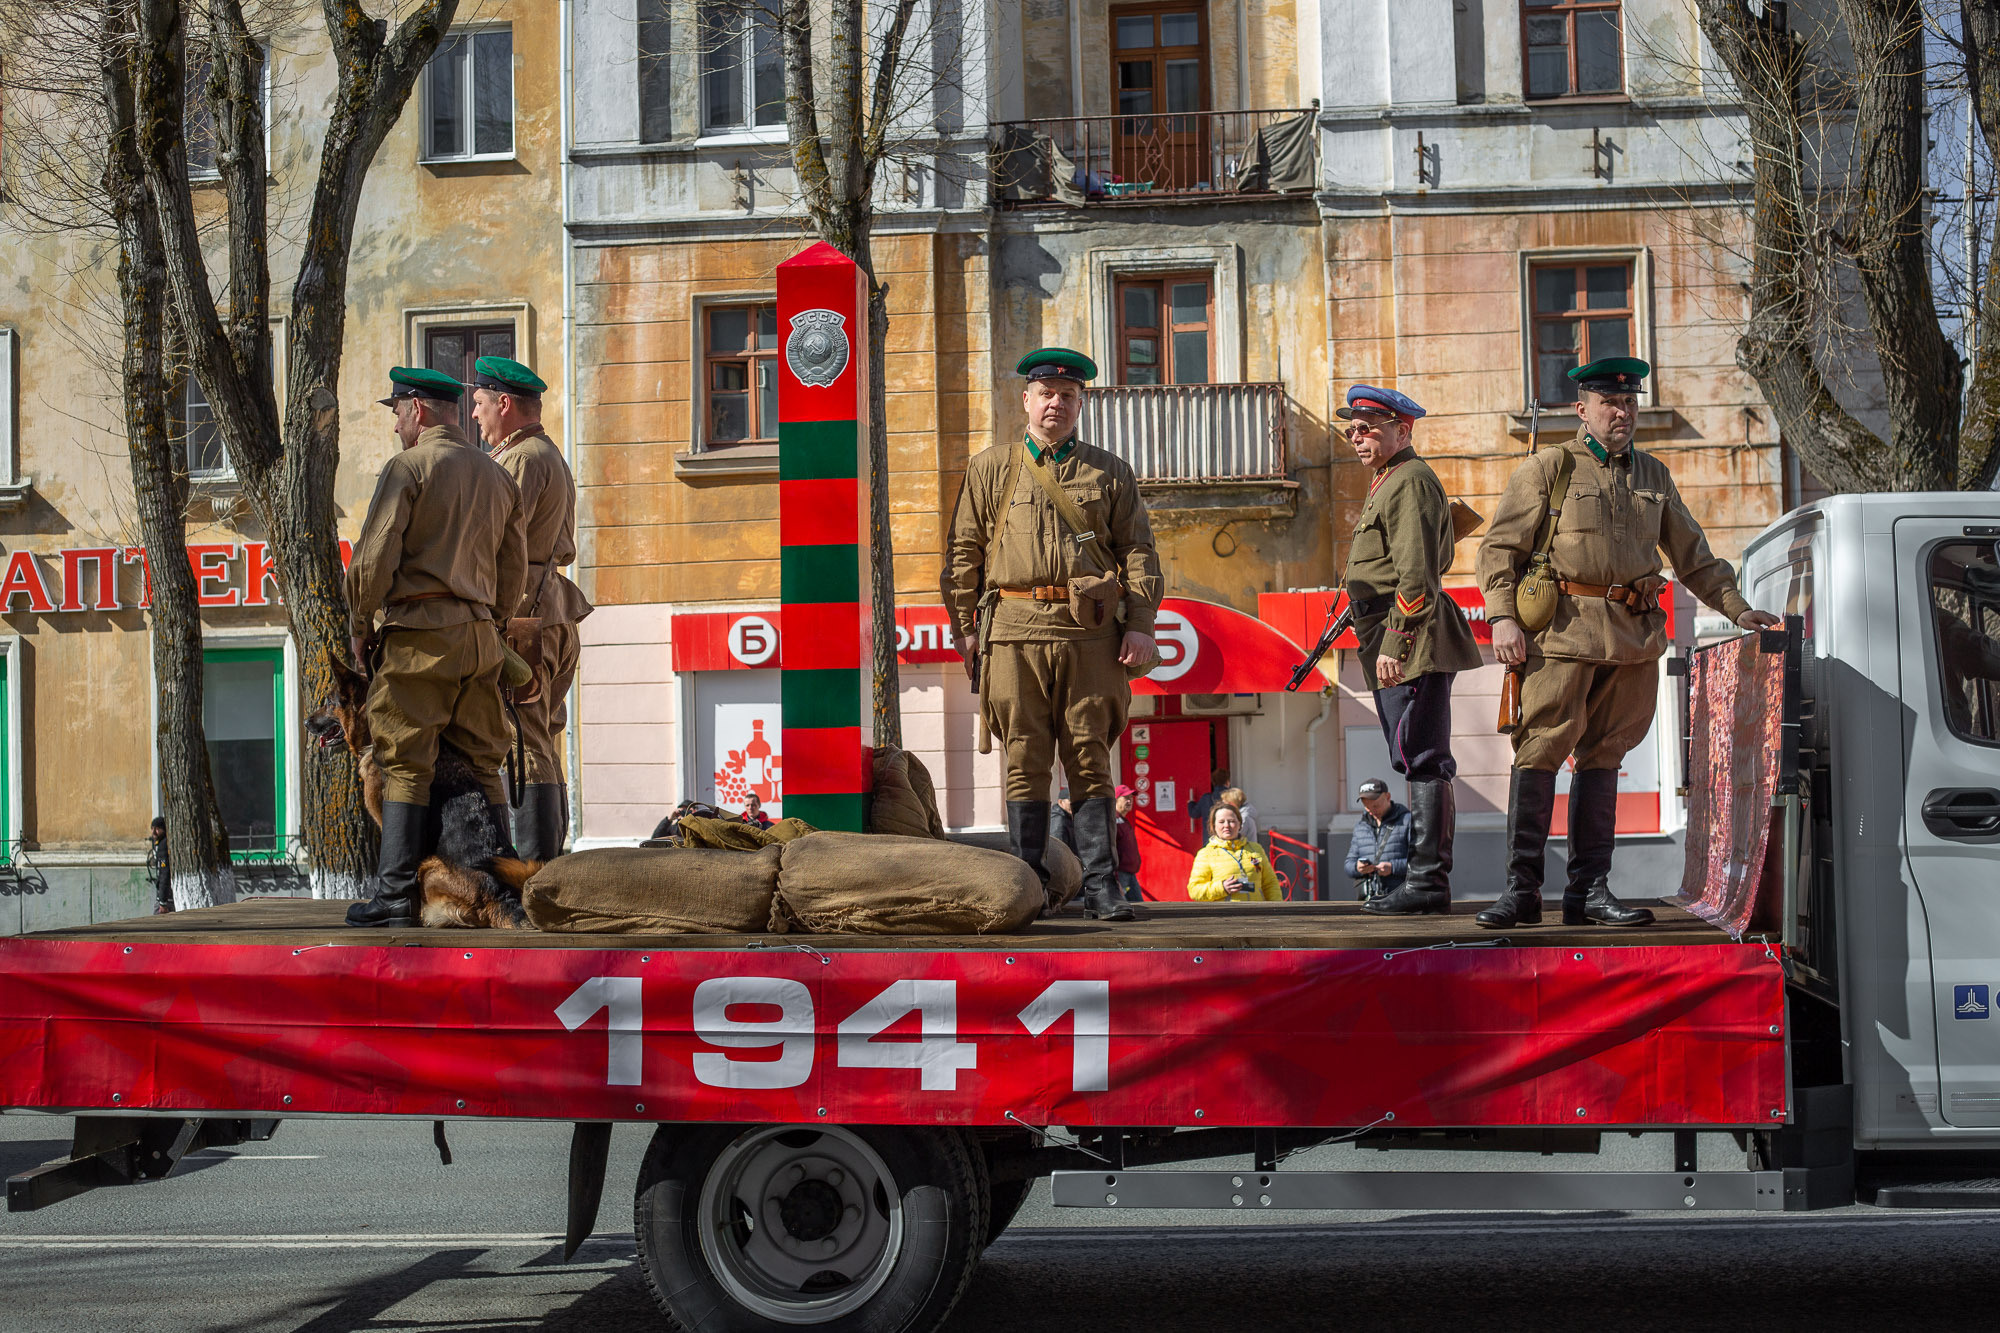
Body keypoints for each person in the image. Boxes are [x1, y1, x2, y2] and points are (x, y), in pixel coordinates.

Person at [1475, 357, 1780, 929]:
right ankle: (1521, 893)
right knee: (1538, 752)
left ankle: (1589, 892)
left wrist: (1739, 610)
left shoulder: (1654, 477)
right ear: (1582, 410)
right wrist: (1503, 618)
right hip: (1562, 636)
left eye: (1631, 402)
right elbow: (1498, 551)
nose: (1624, 412)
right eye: (1611, 403)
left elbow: (1695, 558)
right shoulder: (1549, 468)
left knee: (1605, 760)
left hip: (1634, 641)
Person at [943, 347, 1163, 922]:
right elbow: (963, 552)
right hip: (1012, 630)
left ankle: (1101, 887)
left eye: (1068, 396)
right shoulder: (990, 468)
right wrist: (966, 628)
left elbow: (1138, 552)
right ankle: (1032, 885)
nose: (1056, 404)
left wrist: (1139, 625)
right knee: (1025, 757)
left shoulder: (1108, 471)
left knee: (1089, 755)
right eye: (1046, 394)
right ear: (1026, 401)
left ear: (1081, 404)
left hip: (1088, 633)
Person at [344, 366, 527, 928]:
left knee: (403, 759)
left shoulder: (409, 467)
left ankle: (395, 894)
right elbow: (512, 569)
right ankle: (506, 887)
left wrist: (360, 619)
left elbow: (373, 559)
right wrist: (488, 620)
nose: (396, 424)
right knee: (481, 759)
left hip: (420, 636)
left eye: (396, 412)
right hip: (479, 638)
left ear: (418, 409)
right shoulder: (498, 478)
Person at [1337, 384, 1481, 916]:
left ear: (1403, 430)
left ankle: (1427, 881)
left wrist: (1394, 642)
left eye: (1369, 427)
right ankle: (1426, 881)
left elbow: (1416, 578)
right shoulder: (1389, 480)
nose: (1357, 435)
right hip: (1387, 632)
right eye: (1352, 428)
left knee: (1422, 757)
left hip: (1407, 638)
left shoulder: (1409, 481)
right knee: (1413, 756)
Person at [468, 356, 593, 861]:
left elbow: (494, 542)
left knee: (523, 744)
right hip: (548, 612)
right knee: (540, 739)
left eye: (478, 404)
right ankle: (547, 867)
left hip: (522, 617)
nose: (474, 414)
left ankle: (536, 874)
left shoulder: (520, 459)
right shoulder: (547, 454)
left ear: (504, 403)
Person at [1186, 803, 1282, 902]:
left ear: (1239, 824)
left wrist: (1276, 909)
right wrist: (1222, 888)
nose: (1226, 825)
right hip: (1224, 915)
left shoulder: (1255, 849)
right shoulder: (1206, 854)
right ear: (1214, 826)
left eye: (1231, 821)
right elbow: (1195, 890)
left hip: (1255, 913)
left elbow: (1270, 884)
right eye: (1221, 822)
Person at [1343, 778, 1411, 901]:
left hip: (1399, 898)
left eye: (1376, 806)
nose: (1372, 811)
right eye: (1367, 807)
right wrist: (1358, 868)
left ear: (1388, 796)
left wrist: (1393, 868)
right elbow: (1348, 865)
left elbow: (1420, 862)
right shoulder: (1361, 826)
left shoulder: (1407, 821)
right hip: (1369, 898)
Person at [1113, 785, 1145, 902]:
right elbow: (1109, 850)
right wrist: (1115, 878)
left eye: (1131, 798)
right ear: (1116, 800)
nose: (1129, 801)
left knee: (1140, 908)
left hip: (1130, 874)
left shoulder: (1123, 821)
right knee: (1122, 906)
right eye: (1125, 798)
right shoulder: (1113, 821)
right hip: (1120, 875)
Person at [1187, 768, 1229, 835]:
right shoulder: (1233, 798)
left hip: (1210, 840)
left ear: (1213, 782)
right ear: (1227, 782)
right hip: (1228, 840)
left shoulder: (1206, 798)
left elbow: (1194, 813)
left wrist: (1190, 803)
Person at [147, 816, 172, 915]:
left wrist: (163, 902)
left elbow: (164, 873)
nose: (153, 832)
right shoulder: (159, 844)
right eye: (152, 828)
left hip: (167, 898)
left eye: (157, 829)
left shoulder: (163, 846)